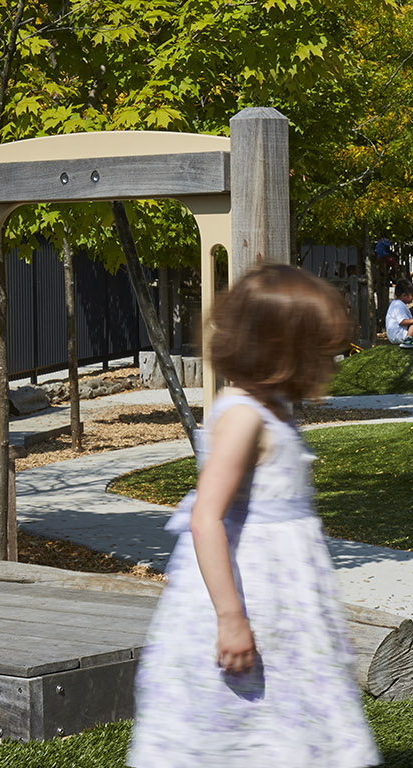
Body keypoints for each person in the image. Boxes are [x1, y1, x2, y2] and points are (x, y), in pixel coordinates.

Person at [126, 265, 381, 768]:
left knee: (286, 710)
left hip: (283, 599)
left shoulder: (275, 408)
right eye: (320, 352)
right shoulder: (243, 415)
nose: (329, 362)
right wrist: (231, 618)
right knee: (242, 717)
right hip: (251, 596)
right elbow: (206, 518)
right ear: (281, 349)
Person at [385, 279, 413, 348]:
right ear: (404, 295)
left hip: (396, 335)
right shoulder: (398, 305)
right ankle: (408, 340)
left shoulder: (397, 304)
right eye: (411, 295)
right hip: (398, 335)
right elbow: (402, 321)